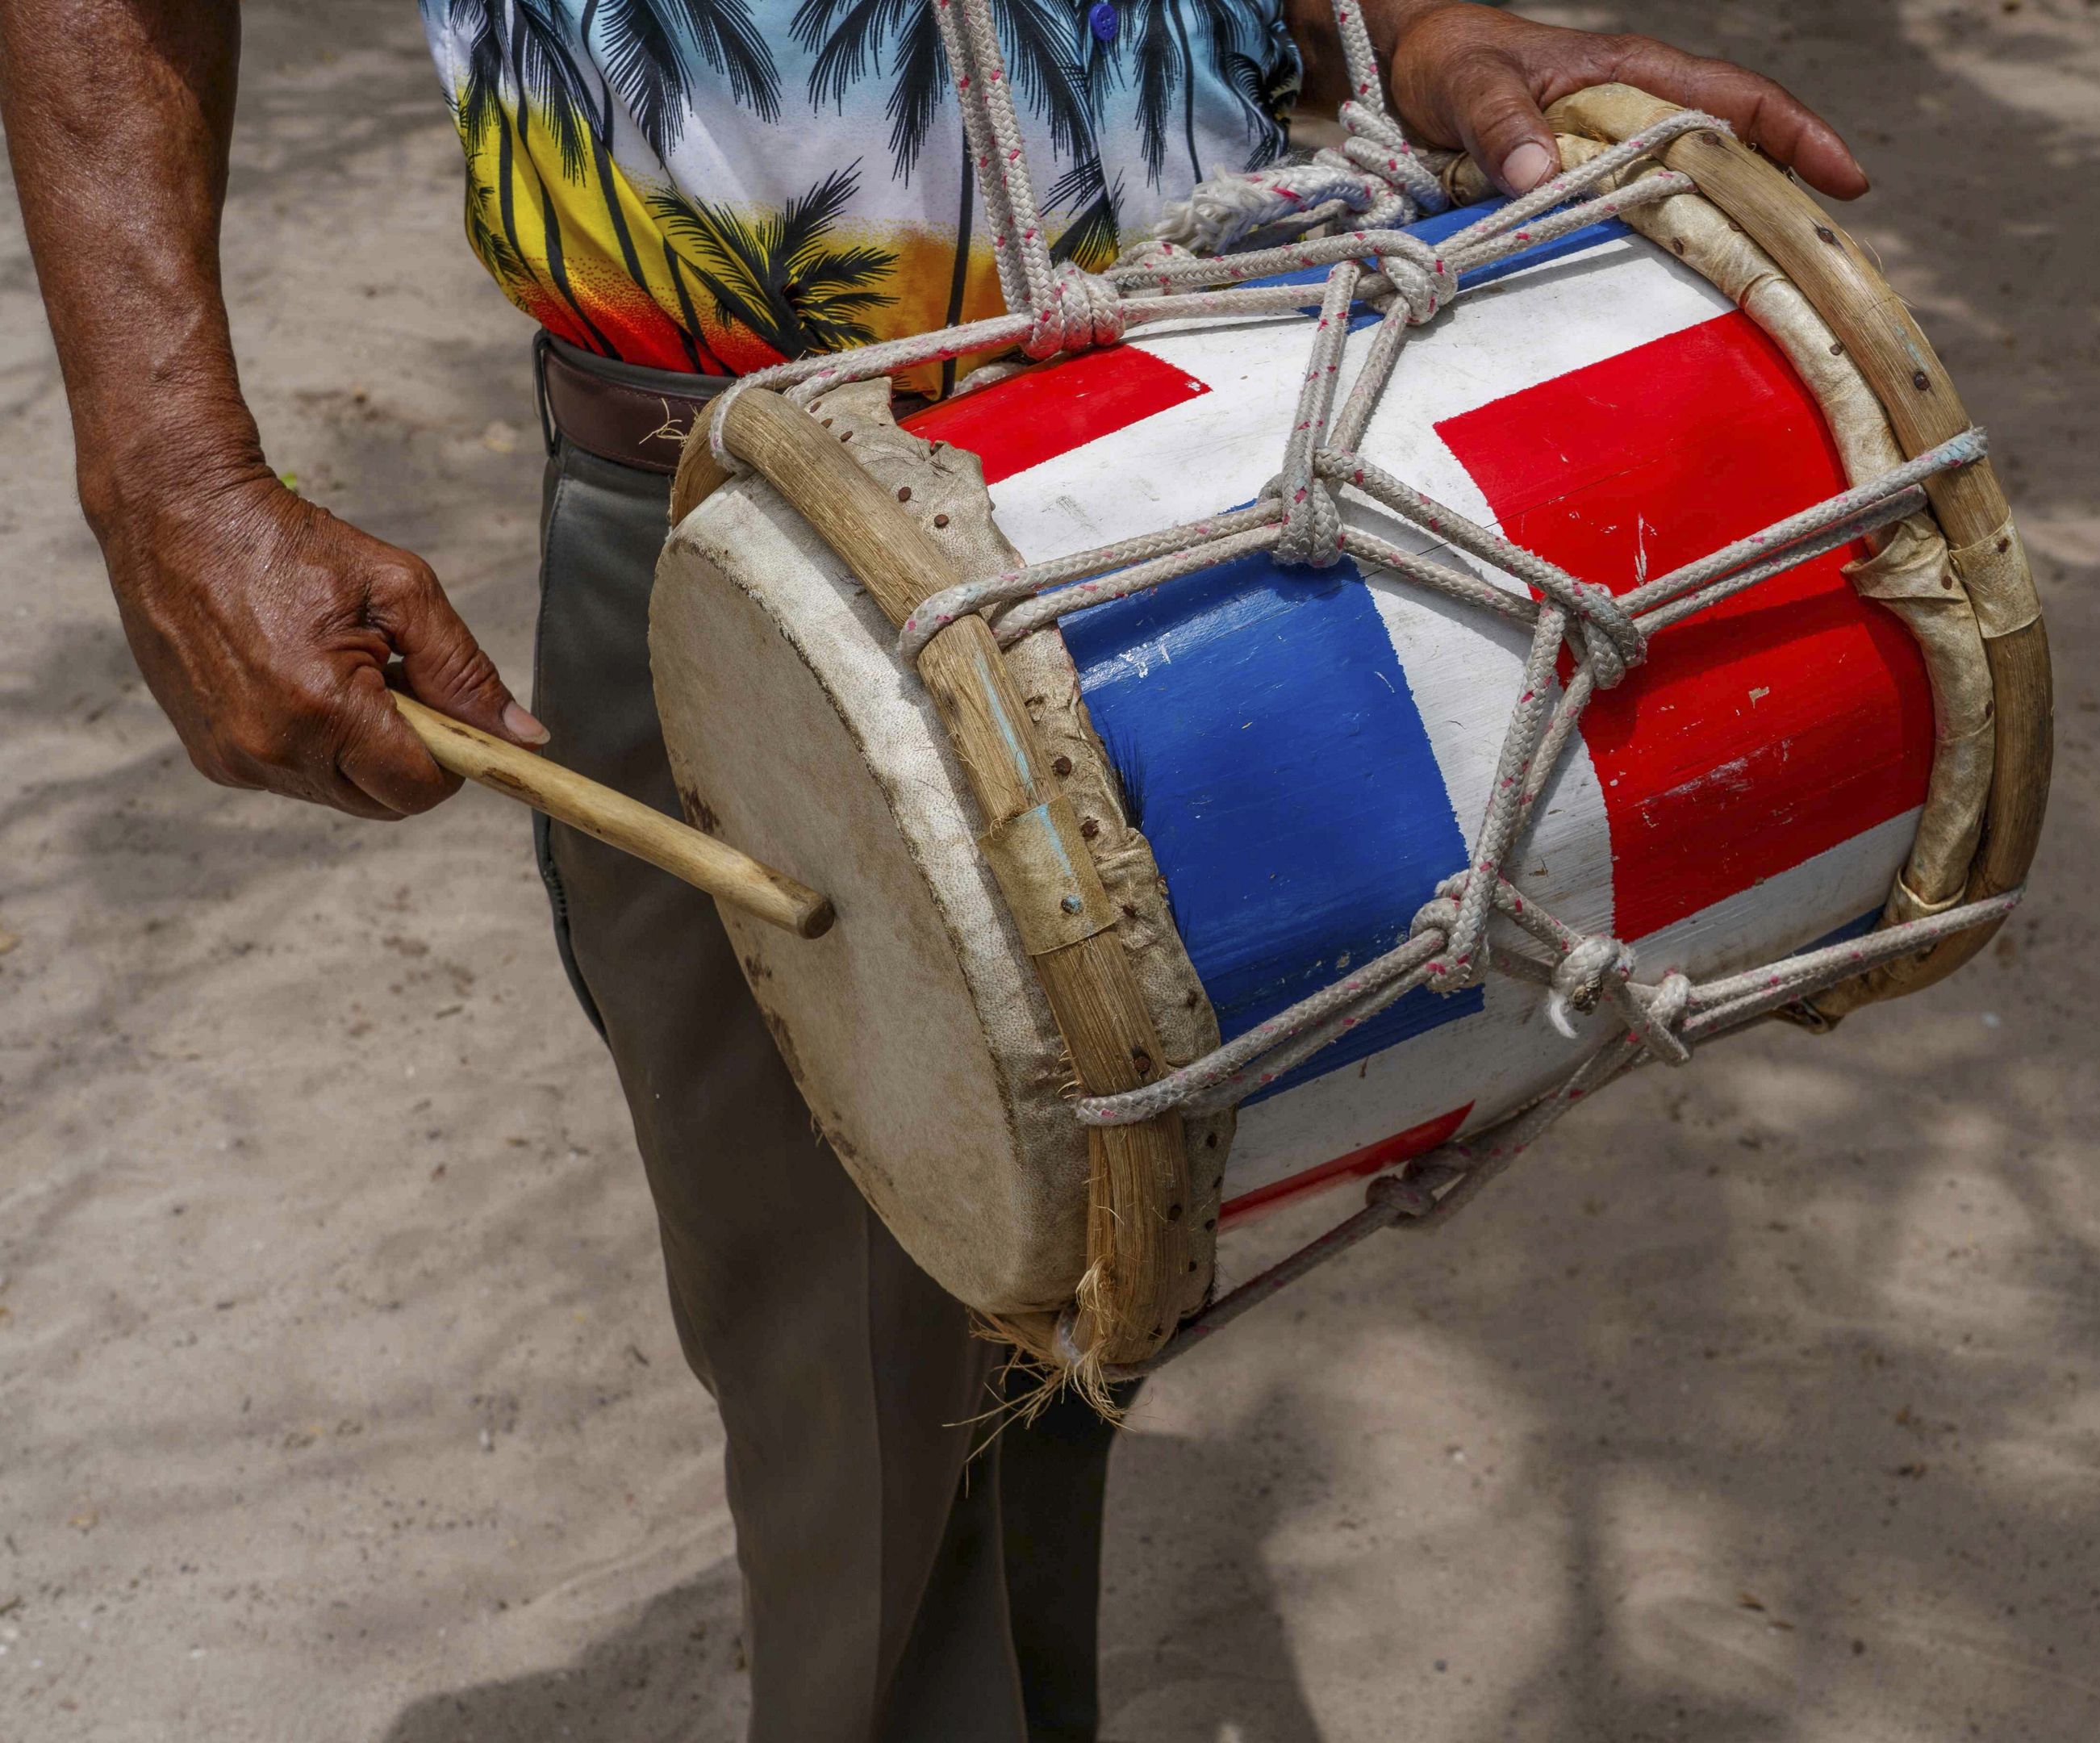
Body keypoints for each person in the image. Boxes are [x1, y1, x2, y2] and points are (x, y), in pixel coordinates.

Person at [0, 2, 1865, 1735]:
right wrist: (166, 463)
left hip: (1218, 426)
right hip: (759, 501)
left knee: (1086, 1275)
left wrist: (1398, 28)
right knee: (866, 1401)